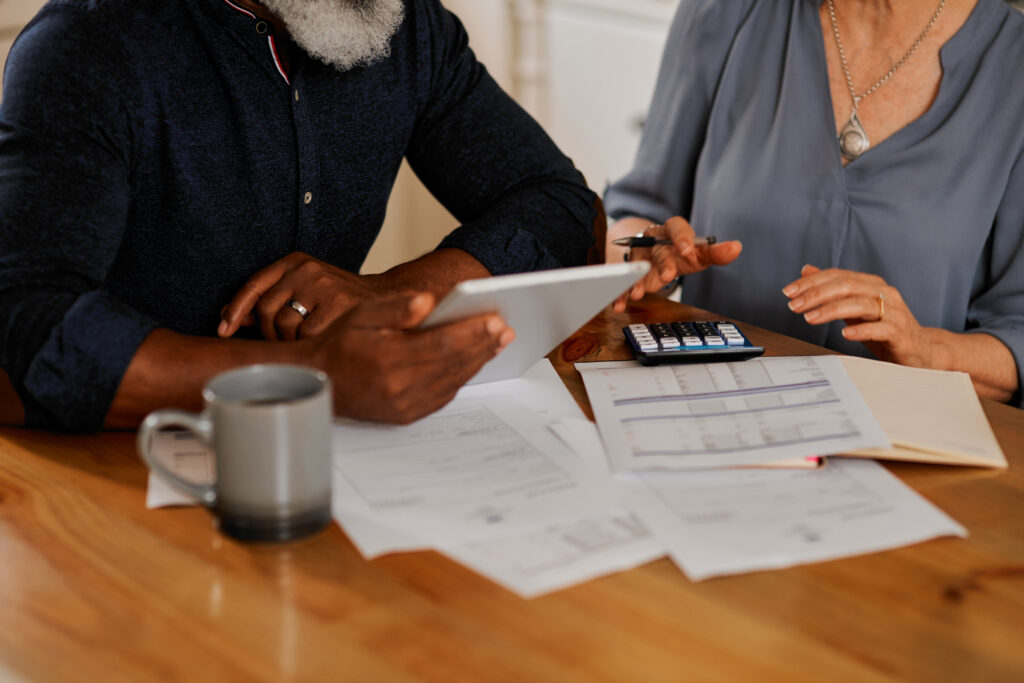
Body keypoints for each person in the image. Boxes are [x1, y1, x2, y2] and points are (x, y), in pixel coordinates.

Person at [0, 0, 597, 431]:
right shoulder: (87, 43)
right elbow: (23, 332)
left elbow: (561, 202)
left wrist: (386, 291)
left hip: (335, 466)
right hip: (116, 472)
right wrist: (313, 374)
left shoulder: (409, 28)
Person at [604, 0, 1024, 405]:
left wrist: (929, 353)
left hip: (902, 442)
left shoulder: (1013, 64)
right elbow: (631, 220)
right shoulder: (727, 10)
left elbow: (1016, 339)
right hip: (715, 409)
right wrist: (646, 253)